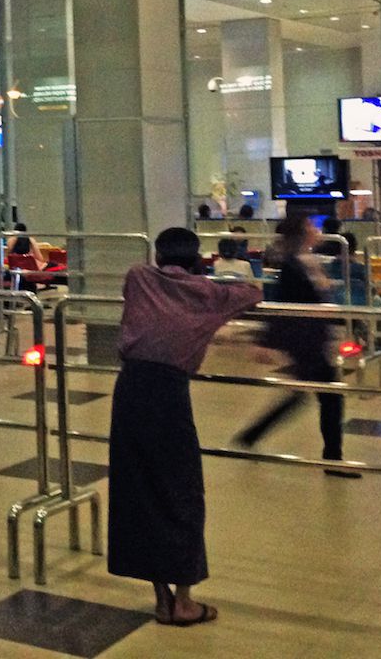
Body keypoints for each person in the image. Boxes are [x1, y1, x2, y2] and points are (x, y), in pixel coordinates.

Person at [108, 227, 261, 626]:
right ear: (197, 260)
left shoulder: (137, 278)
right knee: (182, 492)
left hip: (129, 391)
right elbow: (252, 293)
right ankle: (184, 600)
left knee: (138, 491)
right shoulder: (207, 294)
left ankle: (161, 599)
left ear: (158, 256)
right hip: (169, 396)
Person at [232, 214, 354, 477]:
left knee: (305, 395)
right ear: (302, 232)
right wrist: (265, 342)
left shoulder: (307, 261)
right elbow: (283, 307)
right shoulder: (292, 267)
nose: (315, 228)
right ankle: (332, 459)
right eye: (310, 225)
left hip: (315, 338)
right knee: (329, 396)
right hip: (306, 341)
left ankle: (252, 434)